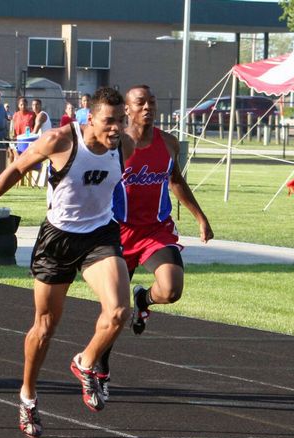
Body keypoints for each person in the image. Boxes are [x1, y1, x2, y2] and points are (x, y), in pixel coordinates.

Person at [0, 87, 135, 438]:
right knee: (44, 327)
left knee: (119, 312)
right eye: (109, 121)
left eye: (121, 120)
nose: (116, 128)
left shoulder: (124, 146)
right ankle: (27, 396)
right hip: (57, 240)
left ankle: (86, 362)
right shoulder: (59, 141)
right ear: (90, 118)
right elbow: (16, 169)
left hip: (100, 236)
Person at [97, 84, 214, 399]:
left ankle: (144, 300)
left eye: (151, 101)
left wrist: (201, 218)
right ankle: (101, 368)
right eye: (140, 102)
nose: (148, 107)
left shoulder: (169, 143)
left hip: (155, 231)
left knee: (172, 289)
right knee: (114, 311)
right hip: (118, 233)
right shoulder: (114, 145)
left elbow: (175, 180)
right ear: (127, 109)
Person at [9, 97, 36, 161]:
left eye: (25, 104)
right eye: (21, 105)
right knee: (15, 156)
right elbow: (13, 129)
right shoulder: (15, 115)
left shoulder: (32, 115)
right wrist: (13, 138)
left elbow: (35, 128)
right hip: (18, 140)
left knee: (27, 160)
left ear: (27, 105)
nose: (23, 106)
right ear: (18, 106)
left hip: (28, 141)